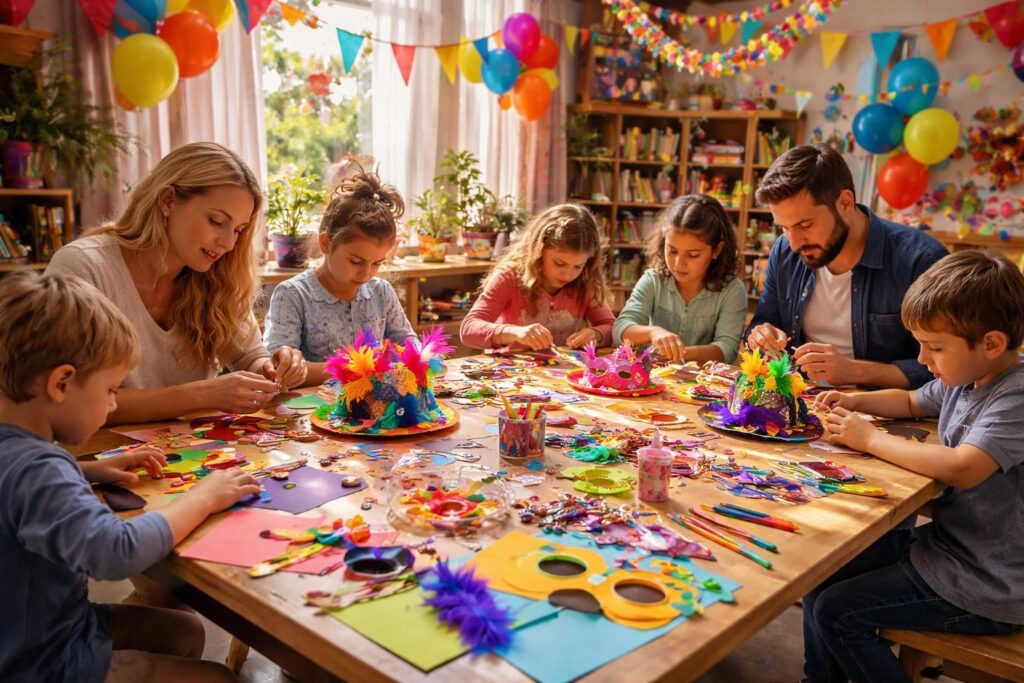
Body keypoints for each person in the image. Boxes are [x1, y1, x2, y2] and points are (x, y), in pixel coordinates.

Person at [0, 272, 261, 683]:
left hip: (41, 628)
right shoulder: (39, 471)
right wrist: (204, 498)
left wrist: (85, 469)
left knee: (184, 630)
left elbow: (15, 484)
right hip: (41, 662)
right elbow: (116, 551)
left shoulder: (23, 453)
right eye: (111, 390)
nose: (113, 404)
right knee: (219, 679)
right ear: (61, 382)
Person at [805, 250, 1024, 682]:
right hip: (950, 551)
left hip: (990, 584)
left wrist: (870, 438)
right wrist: (852, 400)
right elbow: (909, 400)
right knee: (820, 571)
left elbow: (963, 467)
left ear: (992, 343)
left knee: (838, 611)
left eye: (935, 347)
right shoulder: (966, 378)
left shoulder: (1016, 395)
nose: (923, 359)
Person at [46, 142, 307, 423]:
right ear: (168, 201)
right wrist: (202, 395)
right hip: (96, 457)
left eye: (238, 230)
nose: (229, 243)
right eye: (217, 221)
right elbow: (71, 399)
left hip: (193, 454)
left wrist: (272, 369)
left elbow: (250, 357)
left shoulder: (220, 277)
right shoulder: (83, 267)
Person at [746, 144, 947, 388]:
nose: (795, 243)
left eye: (805, 225)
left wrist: (854, 372)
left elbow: (946, 368)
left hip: (890, 416)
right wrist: (760, 335)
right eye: (783, 228)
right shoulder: (784, 250)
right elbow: (764, 320)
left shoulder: (922, 261)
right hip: (802, 403)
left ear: (845, 202)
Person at [263, 166, 415, 386]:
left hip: (375, 409)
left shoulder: (381, 291)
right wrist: (358, 369)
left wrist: (416, 358)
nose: (366, 274)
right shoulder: (293, 295)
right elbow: (278, 370)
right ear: (326, 243)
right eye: (355, 261)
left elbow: (408, 346)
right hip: (315, 411)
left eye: (377, 263)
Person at [459, 203, 614, 351]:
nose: (568, 274)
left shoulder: (585, 281)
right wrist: (514, 333)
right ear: (538, 251)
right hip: (510, 374)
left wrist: (597, 334)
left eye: (578, 266)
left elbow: (612, 327)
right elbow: (469, 329)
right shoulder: (510, 277)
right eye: (559, 263)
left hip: (563, 375)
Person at [613, 194, 747, 363]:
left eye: (693, 255)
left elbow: (727, 349)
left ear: (716, 250)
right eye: (672, 251)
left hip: (703, 384)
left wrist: (680, 353)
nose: (678, 263)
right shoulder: (654, 280)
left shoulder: (732, 290)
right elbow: (620, 329)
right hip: (656, 379)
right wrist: (653, 332)